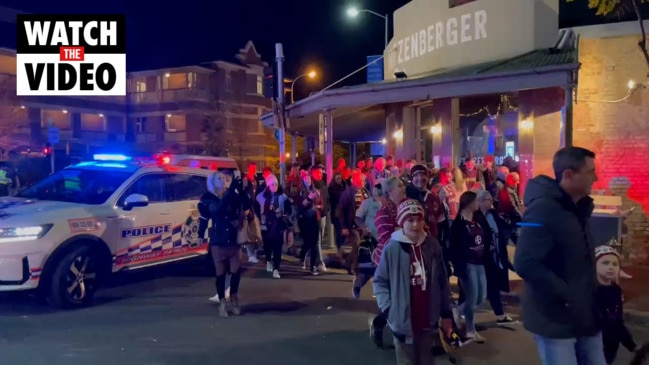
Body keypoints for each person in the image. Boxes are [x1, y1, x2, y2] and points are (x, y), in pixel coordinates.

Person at [514, 146, 606, 365]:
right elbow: (525, 262)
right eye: (590, 171)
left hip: (586, 313)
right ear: (568, 175)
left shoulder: (578, 207)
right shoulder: (544, 209)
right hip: (555, 319)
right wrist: (566, 293)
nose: (595, 177)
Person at [373, 199, 454, 365]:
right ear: (402, 222)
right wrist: (389, 309)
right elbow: (380, 281)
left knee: (426, 360)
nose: (416, 225)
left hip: (427, 319)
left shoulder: (432, 245)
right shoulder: (393, 249)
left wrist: (446, 313)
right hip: (402, 321)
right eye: (410, 220)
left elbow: (441, 281)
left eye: (419, 219)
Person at [198, 171, 248, 317]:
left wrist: (242, 191)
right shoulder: (208, 198)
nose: (223, 180)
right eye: (219, 178)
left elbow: (244, 207)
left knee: (235, 272)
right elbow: (215, 210)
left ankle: (234, 298)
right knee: (220, 274)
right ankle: (222, 302)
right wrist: (200, 234)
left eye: (225, 178)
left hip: (233, 239)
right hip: (218, 240)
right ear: (213, 182)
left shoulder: (232, 194)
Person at [369, 176, 407, 348]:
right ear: (390, 191)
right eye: (400, 185)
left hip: (406, 258)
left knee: (402, 297)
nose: (404, 187)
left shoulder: (407, 208)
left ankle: (384, 325)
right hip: (389, 261)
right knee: (394, 298)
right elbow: (387, 237)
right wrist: (403, 231)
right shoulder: (383, 212)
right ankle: (381, 325)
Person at [449, 191, 488, 343]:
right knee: (471, 298)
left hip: (480, 262)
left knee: (481, 297)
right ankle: (470, 329)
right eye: (476, 201)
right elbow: (453, 247)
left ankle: (457, 311)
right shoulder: (458, 225)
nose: (478, 204)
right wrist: (458, 267)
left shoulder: (478, 219)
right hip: (468, 264)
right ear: (469, 203)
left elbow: (486, 234)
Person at [594, 245, 637, 364]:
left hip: (612, 345)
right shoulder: (592, 291)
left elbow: (618, 320)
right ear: (594, 264)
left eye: (615, 264)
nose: (611, 267)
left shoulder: (616, 290)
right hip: (595, 344)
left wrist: (631, 345)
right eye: (605, 263)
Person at [257, 174, 291, 279]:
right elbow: (257, 210)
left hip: (278, 224)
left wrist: (283, 214)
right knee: (267, 245)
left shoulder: (283, 196)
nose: (274, 186)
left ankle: (276, 268)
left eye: (276, 184)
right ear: (268, 185)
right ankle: (268, 260)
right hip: (265, 224)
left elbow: (288, 210)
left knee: (277, 247)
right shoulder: (261, 197)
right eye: (272, 184)